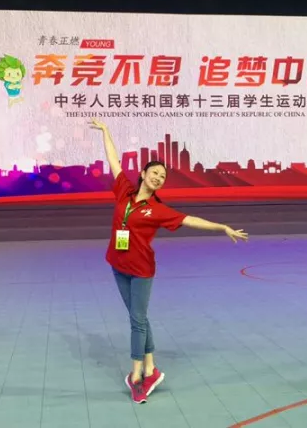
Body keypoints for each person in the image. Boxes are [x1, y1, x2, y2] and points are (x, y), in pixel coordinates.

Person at [89, 118, 249, 404]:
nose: (158, 178)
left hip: (141, 270)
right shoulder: (124, 191)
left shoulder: (158, 209)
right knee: (138, 317)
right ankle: (151, 368)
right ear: (143, 174)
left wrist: (222, 227)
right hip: (117, 265)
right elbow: (113, 160)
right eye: (154, 173)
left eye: (162, 176)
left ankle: (137, 375)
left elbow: (190, 219)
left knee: (137, 321)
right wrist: (106, 131)